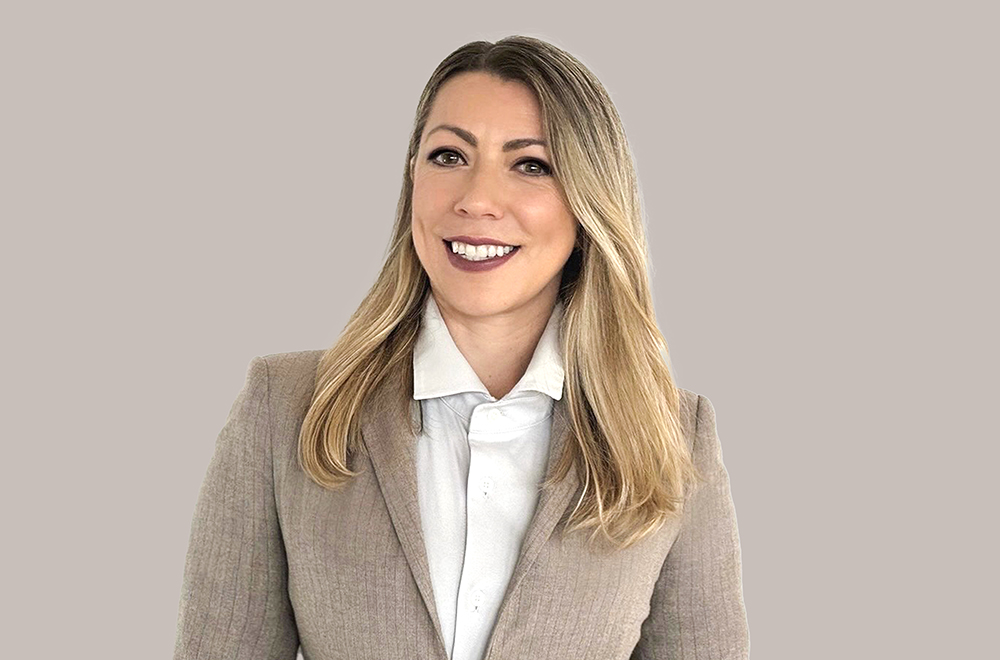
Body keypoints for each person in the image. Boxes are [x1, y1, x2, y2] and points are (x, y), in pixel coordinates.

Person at [173, 35, 749, 660]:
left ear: (589, 202)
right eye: (449, 156)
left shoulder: (671, 437)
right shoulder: (284, 410)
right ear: (412, 179)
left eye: (531, 165)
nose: (476, 199)